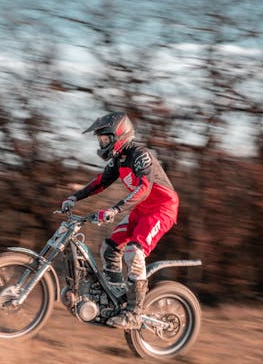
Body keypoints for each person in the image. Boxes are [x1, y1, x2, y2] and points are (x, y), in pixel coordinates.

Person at [61, 112, 179, 329]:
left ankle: (134, 312)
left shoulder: (140, 155)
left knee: (134, 251)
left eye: (105, 139)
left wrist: (114, 210)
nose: (102, 143)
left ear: (120, 136)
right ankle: (119, 299)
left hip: (162, 209)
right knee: (110, 248)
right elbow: (100, 182)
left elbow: (144, 188)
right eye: (100, 140)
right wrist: (74, 197)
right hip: (141, 210)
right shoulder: (119, 159)